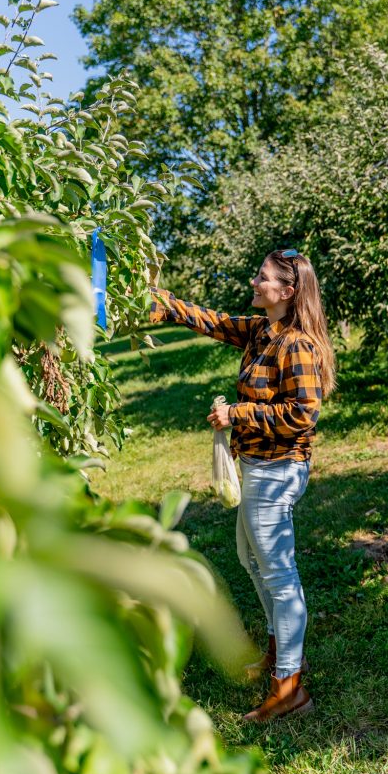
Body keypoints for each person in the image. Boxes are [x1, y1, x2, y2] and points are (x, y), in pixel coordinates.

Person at [148, 249, 336, 722]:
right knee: (252, 559)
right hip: (256, 464)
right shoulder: (261, 331)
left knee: (279, 574)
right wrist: (161, 300)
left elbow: (302, 416)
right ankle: (281, 656)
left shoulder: (296, 345)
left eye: (263, 277)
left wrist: (237, 414)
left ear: (288, 291)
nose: (254, 282)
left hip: (278, 469)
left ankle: (289, 687)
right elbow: (211, 321)